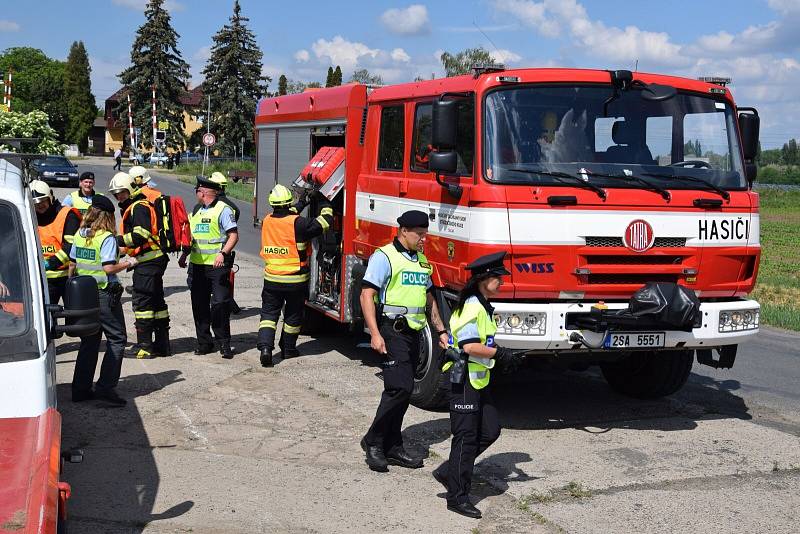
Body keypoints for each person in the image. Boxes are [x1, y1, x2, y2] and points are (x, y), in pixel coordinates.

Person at [359, 210, 449, 472]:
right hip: (392, 330)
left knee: (406, 389)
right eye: (419, 234)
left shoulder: (422, 261)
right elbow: (367, 295)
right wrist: (374, 333)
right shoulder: (384, 256)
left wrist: (441, 331)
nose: (423, 239)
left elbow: (430, 299)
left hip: (415, 333)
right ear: (404, 231)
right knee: (398, 388)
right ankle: (374, 442)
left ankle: (393, 445)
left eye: (425, 234)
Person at [431, 251, 513, 519]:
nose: (502, 282)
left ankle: (449, 470)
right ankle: (457, 496)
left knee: (490, 430)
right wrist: (500, 354)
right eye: (498, 278)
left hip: (478, 380)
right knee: (466, 439)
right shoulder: (472, 306)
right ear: (483, 279)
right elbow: (469, 346)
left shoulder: (483, 304)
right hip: (463, 378)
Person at [256, 184, 333, 367]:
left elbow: (289, 214)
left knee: (268, 315)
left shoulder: (267, 220)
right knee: (292, 316)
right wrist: (325, 202)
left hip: (272, 278)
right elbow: (325, 222)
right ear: (288, 203)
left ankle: (266, 349)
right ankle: (288, 349)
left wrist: (302, 203)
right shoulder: (299, 223)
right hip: (295, 280)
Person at [69, 195, 134, 405]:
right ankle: (105, 388)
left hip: (84, 295)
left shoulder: (80, 234)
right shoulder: (106, 237)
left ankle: (80, 389)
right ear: (107, 216)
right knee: (117, 339)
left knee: (90, 340)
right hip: (104, 294)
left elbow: (72, 265)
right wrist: (127, 263)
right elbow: (108, 268)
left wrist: (72, 288)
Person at [108, 171, 170, 359]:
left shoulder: (139, 207)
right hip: (152, 260)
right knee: (157, 302)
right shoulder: (138, 205)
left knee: (142, 302)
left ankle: (144, 346)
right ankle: (162, 345)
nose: (118, 196)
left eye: (121, 192)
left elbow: (140, 235)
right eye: (115, 194)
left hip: (148, 262)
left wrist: (115, 239)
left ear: (129, 189)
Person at [179, 176, 239, 358]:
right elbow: (192, 237)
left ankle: (224, 343)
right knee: (199, 306)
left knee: (220, 303)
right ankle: (204, 342)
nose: (196, 194)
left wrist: (223, 253)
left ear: (203, 192)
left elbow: (233, 236)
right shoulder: (196, 210)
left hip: (217, 266)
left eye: (197, 190)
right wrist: (184, 255)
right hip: (197, 266)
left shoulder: (223, 209)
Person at [31, 180, 82, 305]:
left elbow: (70, 247)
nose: (39, 205)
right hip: (42, 278)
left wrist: (49, 263)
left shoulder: (67, 214)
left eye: (42, 200)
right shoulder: (31, 216)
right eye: (35, 202)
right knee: (47, 318)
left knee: (74, 315)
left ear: (50, 197)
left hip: (68, 276)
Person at [209, 171, 242, 314]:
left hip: (213, 252)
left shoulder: (212, 205)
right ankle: (228, 305)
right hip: (226, 250)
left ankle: (225, 307)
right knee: (223, 281)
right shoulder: (233, 207)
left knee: (216, 284)